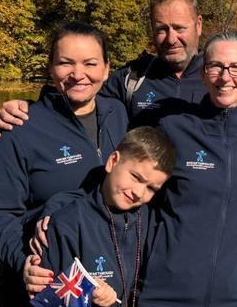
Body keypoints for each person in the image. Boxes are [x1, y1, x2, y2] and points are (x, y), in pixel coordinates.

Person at [0, 21, 128, 306]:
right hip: (43, 286)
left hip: (102, 285)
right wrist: (23, 264)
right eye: (65, 63)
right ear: (51, 67)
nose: (78, 74)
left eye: (90, 63)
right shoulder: (21, 127)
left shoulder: (119, 114)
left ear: (107, 68)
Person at [138, 31, 237, 307]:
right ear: (204, 74)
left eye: (236, 68)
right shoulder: (173, 129)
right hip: (166, 290)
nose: (225, 77)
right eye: (215, 66)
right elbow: (127, 191)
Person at [0, 0, 207, 132]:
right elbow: (78, 97)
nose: (170, 39)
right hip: (140, 195)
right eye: (161, 29)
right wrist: (27, 110)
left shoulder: (221, 77)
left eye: (179, 28)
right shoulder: (131, 79)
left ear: (198, 25)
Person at [38, 126, 175, 307]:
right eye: (135, 177)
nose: (139, 193)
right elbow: (52, 297)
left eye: (151, 188)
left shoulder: (150, 221)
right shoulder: (67, 224)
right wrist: (89, 294)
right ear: (112, 161)